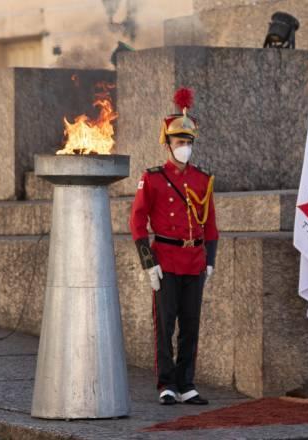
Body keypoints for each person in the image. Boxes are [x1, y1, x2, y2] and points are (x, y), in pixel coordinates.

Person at [129, 88, 218, 405]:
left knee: (191, 325)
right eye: (179, 142)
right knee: (165, 325)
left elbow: (211, 224)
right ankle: (167, 384)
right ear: (168, 144)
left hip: (194, 258)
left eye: (188, 143)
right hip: (165, 258)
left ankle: (187, 382)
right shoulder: (152, 178)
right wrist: (147, 261)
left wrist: (211, 259)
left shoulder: (202, 179)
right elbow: (137, 221)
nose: (185, 148)